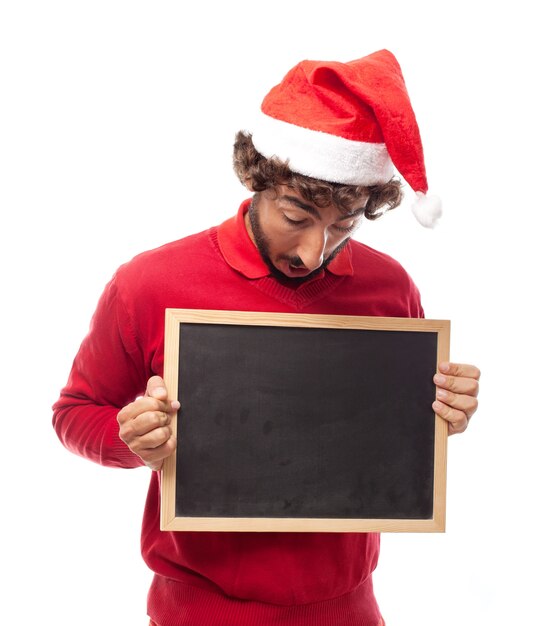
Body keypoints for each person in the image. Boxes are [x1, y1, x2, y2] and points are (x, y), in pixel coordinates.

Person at [53, 49, 480, 626]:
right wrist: (133, 437)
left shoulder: (390, 289)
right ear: (259, 179)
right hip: (202, 612)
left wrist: (441, 415)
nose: (314, 251)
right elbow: (76, 412)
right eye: (297, 215)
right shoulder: (149, 283)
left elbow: (389, 430)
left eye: (342, 226)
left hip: (351, 609)